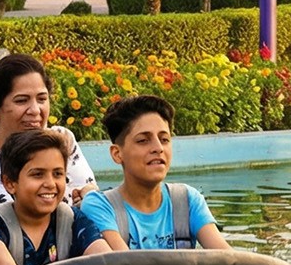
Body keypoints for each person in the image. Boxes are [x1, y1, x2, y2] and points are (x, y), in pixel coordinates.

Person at [78, 95, 229, 253]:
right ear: (117, 153)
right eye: (143, 140)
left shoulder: (187, 201)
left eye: (164, 139)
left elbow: (228, 259)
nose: (158, 148)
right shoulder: (100, 206)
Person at [0, 53, 99, 213]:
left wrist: (89, 195)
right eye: (21, 100)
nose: (35, 110)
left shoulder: (62, 139)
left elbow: (89, 196)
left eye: (42, 99)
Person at [0, 128, 104, 265]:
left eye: (58, 174)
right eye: (37, 174)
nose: (50, 184)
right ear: (10, 183)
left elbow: (106, 262)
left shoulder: (73, 220)